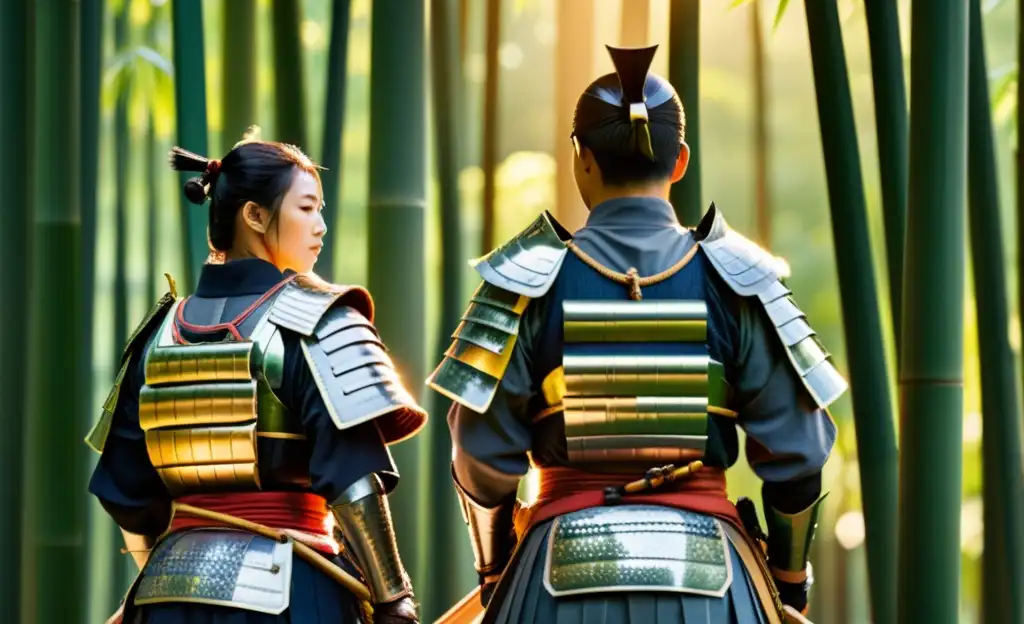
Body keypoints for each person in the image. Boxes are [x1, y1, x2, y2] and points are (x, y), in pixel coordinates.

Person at [429, 46, 846, 624]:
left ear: (582, 160)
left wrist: (496, 573)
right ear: (680, 162)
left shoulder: (521, 282)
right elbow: (798, 453)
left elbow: (481, 454)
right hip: (716, 586)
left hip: (551, 583)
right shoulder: (742, 279)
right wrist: (786, 583)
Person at [87, 132, 426, 623]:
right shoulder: (319, 320)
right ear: (254, 216)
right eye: (308, 208)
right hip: (289, 591)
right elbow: (352, 477)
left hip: (165, 598)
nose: (321, 226)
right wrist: (395, 598)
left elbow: (124, 493)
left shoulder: (157, 333)